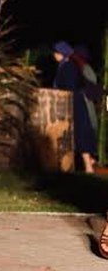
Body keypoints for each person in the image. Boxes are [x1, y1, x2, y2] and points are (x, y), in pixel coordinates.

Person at [52, 40, 96, 174]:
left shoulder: (68, 66)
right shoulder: (66, 65)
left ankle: (88, 166)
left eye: (56, 53)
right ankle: (87, 163)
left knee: (80, 132)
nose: (54, 56)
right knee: (78, 132)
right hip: (72, 101)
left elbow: (69, 87)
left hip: (74, 102)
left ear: (61, 53)